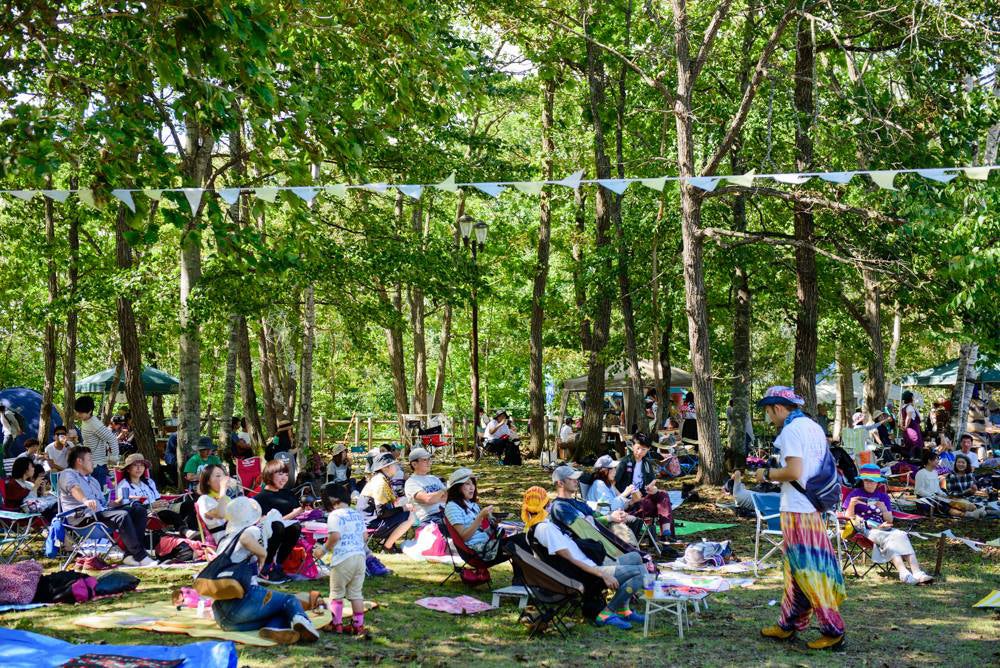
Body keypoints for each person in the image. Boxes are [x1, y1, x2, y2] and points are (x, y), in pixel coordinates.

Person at [754, 386, 845, 650]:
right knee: (795, 570)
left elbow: (794, 472)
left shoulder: (791, 431)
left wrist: (766, 474)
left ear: (779, 408)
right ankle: (788, 624)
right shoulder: (813, 427)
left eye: (768, 412)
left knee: (810, 571)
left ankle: (833, 628)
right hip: (810, 506)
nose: (768, 418)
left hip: (798, 509)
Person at [525, 484, 647, 631]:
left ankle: (623, 609)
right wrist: (602, 574)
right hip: (587, 573)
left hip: (590, 565)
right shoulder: (544, 529)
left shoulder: (543, 527)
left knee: (635, 557)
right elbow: (572, 559)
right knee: (641, 573)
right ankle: (607, 613)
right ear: (545, 505)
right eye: (547, 503)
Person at [209, 497, 320, 645]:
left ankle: (274, 628)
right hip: (243, 602)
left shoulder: (224, 540)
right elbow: (246, 539)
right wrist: (263, 554)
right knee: (289, 600)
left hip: (223, 617)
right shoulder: (251, 529)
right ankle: (304, 622)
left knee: (277, 609)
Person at [58, 446, 154, 567]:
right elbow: (74, 488)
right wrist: (85, 500)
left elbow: (104, 504)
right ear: (79, 461)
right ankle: (140, 556)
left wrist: (118, 502)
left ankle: (130, 555)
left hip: (100, 515)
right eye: (90, 460)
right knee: (121, 515)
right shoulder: (68, 474)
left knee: (138, 509)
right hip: (83, 518)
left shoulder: (93, 481)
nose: (93, 463)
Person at [841, 465, 933, 584]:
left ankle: (917, 572)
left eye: (873, 481)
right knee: (890, 538)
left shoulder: (883, 496)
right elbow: (848, 517)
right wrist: (852, 504)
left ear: (878, 483)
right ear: (862, 481)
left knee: (901, 534)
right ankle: (904, 573)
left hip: (882, 527)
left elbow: (890, 521)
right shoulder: (855, 494)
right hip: (863, 528)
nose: (869, 484)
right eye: (867, 481)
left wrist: (884, 509)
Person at [313, 483, 369, 636]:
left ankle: (336, 623)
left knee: (336, 593)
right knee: (356, 594)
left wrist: (323, 550)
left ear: (330, 500)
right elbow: (365, 536)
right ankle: (358, 626)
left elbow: (335, 536)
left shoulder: (334, 515)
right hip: (360, 558)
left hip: (343, 559)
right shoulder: (356, 513)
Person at [553, 462, 638, 546]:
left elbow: (596, 514)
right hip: (589, 544)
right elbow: (583, 527)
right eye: (572, 478)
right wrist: (610, 518)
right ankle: (632, 550)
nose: (576, 481)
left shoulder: (578, 503)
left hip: (599, 536)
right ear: (560, 483)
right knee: (618, 525)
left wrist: (615, 514)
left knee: (626, 520)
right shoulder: (560, 507)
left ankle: (633, 550)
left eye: (576, 478)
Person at [254, 459, 308, 584]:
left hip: (286, 532)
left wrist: (305, 509)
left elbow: (297, 512)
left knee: (295, 527)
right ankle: (265, 568)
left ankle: (278, 566)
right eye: (280, 474)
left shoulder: (287, 493)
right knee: (277, 525)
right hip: (266, 536)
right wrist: (296, 513)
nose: (284, 478)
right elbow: (265, 523)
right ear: (269, 475)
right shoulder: (260, 498)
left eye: (285, 474)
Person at [613, 432, 674, 539]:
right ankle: (667, 538)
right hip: (630, 504)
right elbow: (612, 484)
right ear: (632, 446)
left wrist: (652, 489)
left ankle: (666, 533)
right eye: (638, 448)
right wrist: (622, 497)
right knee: (664, 507)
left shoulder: (646, 463)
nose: (640, 452)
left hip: (643, 501)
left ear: (648, 449)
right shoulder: (625, 462)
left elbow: (650, 485)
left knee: (663, 495)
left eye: (644, 449)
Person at [443, 467, 509, 565]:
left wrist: (494, 523)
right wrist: (480, 517)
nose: (472, 487)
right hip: (478, 551)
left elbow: (482, 530)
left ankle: (523, 579)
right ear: (457, 487)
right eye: (467, 483)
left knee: (523, 540)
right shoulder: (452, 507)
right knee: (520, 543)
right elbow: (464, 537)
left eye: (473, 483)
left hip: (488, 544)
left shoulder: (472, 505)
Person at [357, 452, 414, 552]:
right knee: (409, 516)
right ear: (385, 468)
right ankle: (388, 546)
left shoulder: (381, 479)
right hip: (370, 524)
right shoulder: (380, 482)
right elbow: (382, 513)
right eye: (394, 464)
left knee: (406, 511)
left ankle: (388, 543)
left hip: (369, 521)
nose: (397, 466)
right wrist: (403, 508)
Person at [115, 453, 185, 531]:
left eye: (141, 465)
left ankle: (194, 533)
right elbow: (126, 507)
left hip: (162, 508)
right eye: (135, 465)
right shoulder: (124, 486)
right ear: (128, 469)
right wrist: (149, 506)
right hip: (147, 514)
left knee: (187, 505)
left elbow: (157, 498)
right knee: (168, 514)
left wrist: (163, 502)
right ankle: (185, 532)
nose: (139, 468)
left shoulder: (149, 481)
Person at [913, 451, 984, 519]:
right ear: (929, 461)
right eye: (936, 459)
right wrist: (933, 496)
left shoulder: (934, 472)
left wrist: (943, 494)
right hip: (925, 500)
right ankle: (967, 515)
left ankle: (973, 510)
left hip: (935, 496)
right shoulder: (921, 473)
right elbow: (919, 490)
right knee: (943, 504)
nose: (938, 461)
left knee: (951, 500)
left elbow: (937, 488)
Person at [74, 396, 119, 489]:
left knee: (99, 495)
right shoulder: (86, 421)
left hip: (97, 466)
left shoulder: (94, 423)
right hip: (90, 464)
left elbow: (112, 438)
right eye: (77, 412)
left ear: (89, 411)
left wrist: (114, 456)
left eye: (81, 412)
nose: (78, 414)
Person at [403, 447, 446, 526]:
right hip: (429, 517)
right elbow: (428, 499)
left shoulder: (434, 478)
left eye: (429, 459)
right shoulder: (411, 482)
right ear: (414, 464)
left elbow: (449, 496)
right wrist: (442, 492)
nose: (429, 462)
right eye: (425, 460)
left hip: (446, 512)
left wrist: (436, 497)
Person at [4, 457, 57, 521]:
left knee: (56, 501)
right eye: (32, 467)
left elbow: (37, 500)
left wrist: (42, 488)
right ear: (26, 470)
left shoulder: (28, 484)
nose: (34, 469)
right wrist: (35, 487)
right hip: (20, 515)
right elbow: (29, 504)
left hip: (35, 512)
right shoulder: (12, 484)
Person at [195, 464, 236, 544]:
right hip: (225, 540)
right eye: (218, 476)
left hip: (236, 534)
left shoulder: (228, 498)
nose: (223, 478)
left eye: (224, 475)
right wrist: (223, 489)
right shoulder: (204, 499)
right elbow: (220, 514)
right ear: (207, 481)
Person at [899, 390, 923, 461]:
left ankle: (910, 459)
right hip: (912, 429)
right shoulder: (909, 407)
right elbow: (908, 417)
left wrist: (902, 426)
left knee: (909, 444)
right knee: (915, 444)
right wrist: (906, 426)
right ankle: (915, 460)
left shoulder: (903, 407)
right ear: (910, 398)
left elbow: (902, 418)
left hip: (908, 430)